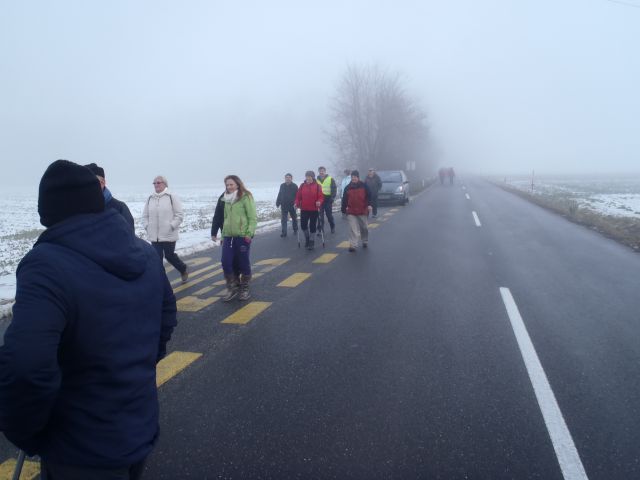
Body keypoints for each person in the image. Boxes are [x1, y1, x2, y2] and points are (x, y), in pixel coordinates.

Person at [0, 159, 177, 480]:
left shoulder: (45, 265)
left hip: (78, 447)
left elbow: (26, 367)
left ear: (48, 213)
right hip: (137, 427)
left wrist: (26, 433)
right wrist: (135, 369)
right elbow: (166, 319)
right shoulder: (144, 254)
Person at [211, 175, 257, 301]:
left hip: (242, 236)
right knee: (226, 262)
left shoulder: (246, 197)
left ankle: (245, 286)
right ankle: (232, 286)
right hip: (228, 237)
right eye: (227, 185)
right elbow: (225, 218)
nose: (229, 187)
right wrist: (223, 234)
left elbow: (252, 217)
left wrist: (249, 233)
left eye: (231, 184)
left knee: (243, 262)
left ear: (237, 184)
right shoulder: (225, 198)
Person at [143, 175, 188, 282]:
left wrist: (171, 226)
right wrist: (147, 226)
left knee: (169, 256)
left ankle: (182, 269)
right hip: (154, 236)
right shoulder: (150, 198)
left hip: (168, 234)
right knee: (156, 259)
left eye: (158, 182)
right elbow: (145, 215)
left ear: (165, 184)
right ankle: (161, 281)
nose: (156, 185)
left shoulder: (171, 196)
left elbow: (179, 215)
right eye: (154, 183)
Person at [85, 162, 135, 232]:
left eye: (92, 182)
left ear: (103, 183)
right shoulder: (77, 208)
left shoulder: (119, 208)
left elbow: (129, 237)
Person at [341, 170, 372, 252]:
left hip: (362, 210)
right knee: (353, 229)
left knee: (364, 228)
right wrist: (343, 209)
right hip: (351, 211)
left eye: (355, 177)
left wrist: (369, 205)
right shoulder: (347, 188)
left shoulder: (364, 186)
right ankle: (353, 245)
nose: (353, 178)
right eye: (352, 177)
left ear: (358, 177)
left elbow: (369, 196)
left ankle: (365, 240)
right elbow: (344, 200)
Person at [295, 170, 324, 250]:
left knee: (312, 225)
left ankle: (311, 240)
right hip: (304, 208)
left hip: (314, 209)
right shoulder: (302, 186)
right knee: (303, 225)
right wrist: (296, 203)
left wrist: (319, 202)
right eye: (307, 176)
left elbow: (321, 197)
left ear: (313, 177)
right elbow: (298, 197)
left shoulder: (318, 186)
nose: (308, 178)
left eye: (309, 176)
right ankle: (307, 238)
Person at [275, 173, 298, 237]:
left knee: (294, 218)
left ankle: (295, 229)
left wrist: (297, 203)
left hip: (292, 205)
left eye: (289, 177)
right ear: (285, 178)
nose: (287, 178)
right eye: (286, 177)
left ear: (291, 178)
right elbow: (280, 194)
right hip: (284, 205)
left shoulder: (295, 186)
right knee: (283, 219)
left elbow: (298, 196)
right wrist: (278, 202)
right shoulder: (282, 185)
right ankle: (284, 232)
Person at [316, 166, 337, 234]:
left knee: (329, 215)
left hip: (328, 199)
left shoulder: (330, 179)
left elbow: (334, 189)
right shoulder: (316, 180)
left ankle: (332, 227)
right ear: (318, 172)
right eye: (320, 171)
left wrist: (332, 198)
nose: (321, 172)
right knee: (320, 216)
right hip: (319, 200)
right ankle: (320, 230)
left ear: (325, 171)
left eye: (323, 171)